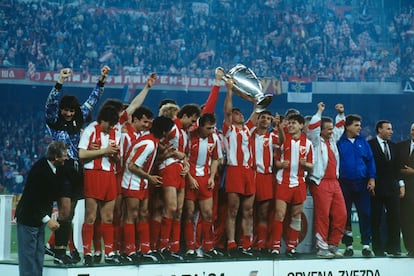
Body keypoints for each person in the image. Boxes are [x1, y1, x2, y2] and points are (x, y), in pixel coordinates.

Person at [44, 65, 109, 264]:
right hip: (61, 167)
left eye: (71, 110)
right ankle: (60, 251)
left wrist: (101, 80)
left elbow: (93, 100)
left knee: (69, 213)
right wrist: (60, 81)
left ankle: (59, 249)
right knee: (64, 212)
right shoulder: (54, 119)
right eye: (66, 110)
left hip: (77, 169)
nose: (68, 113)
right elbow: (50, 104)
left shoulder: (79, 117)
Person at [121, 116, 175, 263]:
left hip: (142, 181)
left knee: (143, 213)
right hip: (132, 181)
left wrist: (165, 156)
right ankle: (130, 250)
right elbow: (131, 165)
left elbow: (144, 161)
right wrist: (149, 177)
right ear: (164, 132)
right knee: (131, 215)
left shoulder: (151, 140)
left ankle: (144, 249)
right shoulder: (150, 144)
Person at [15, 141, 67, 276]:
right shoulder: (40, 171)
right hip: (28, 219)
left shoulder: (51, 168)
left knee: (38, 257)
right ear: (55, 156)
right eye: (64, 156)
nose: (66, 158)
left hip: (37, 220)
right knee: (28, 260)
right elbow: (32, 200)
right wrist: (48, 220)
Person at [78, 105, 120, 265]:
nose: (111, 127)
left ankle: (108, 253)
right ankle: (87, 253)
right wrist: (103, 151)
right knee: (90, 217)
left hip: (110, 174)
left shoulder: (116, 133)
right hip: (93, 174)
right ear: (102, 120)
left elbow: (117, 158)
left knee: (108, 217)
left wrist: (114, 155)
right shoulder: (90, 130)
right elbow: (81, 154)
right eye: (109, 124)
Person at [157, 103, 201, 260]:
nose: (193, 124)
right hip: (168, 168)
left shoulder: (185, 132)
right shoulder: (172, 127)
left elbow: (185, 155)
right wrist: (173, 153)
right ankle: (162, 247)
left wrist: (186, 165)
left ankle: (174, 247)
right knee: (171, 208)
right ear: (184, 116)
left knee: (179, 211)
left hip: (181, 172)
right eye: (192, 120)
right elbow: (157, 142)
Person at [270, 113, 314, 258]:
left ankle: (291, 247)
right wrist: (280, 164)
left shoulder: (307, 144)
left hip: (300, 183)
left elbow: (311, 165)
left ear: (301, 126)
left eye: (294, 123)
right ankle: (276, 246)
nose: (290, 125)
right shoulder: (283, 140)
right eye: (289, 123)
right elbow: (275, 161)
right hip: (283, 182)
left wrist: (305, 164)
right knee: (280, 214)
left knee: (296, 216)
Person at [307, 102, 346, 258]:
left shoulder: (332, 140)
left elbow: (341, 127)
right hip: (320, 181)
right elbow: (313, 126)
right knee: (323, 215)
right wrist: (319, 111)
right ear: (321, 130)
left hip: (334, 182)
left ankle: (333, 244)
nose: (332, 131)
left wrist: (341, 114)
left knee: (341, 214)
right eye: (329, 129)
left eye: (332, 128)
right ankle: (322, 247)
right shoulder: (315, 140)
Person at [222, 77, 255, 257]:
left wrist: (256, 97)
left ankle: (246, 244)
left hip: (248, 171)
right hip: (234, 170)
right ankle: (231, 243)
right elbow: (226, 111)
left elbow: (258, 110)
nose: (239, 114)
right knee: (233, 210)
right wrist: (229, 90)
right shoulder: (228, 128)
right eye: (236, 113)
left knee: (248, 211)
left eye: (240, 112)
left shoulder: (248, 128)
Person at [183, 113, 222, 259]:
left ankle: (208, 246)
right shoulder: (189, 136)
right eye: (208, 128)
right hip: (190, 179)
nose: (211, 131)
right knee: (189, 214)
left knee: (207, 214)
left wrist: (211, 177)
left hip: (205, 180)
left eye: (212, 128)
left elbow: (215, 159)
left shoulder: (215, 138)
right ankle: (190, 247)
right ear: (200, 126)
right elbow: (183, 158)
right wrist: (189, 177)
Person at [337, 114, 376, 257]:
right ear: (347, 126)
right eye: (356, 125)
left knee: (365, 213)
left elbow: (370, 161)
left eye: (360, 125)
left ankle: (366, 245)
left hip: (362, 183)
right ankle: (348, 245)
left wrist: (372, 178)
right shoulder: (339, 142)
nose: (360, 128)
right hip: (344, 184)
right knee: (345, 216)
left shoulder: (363, 142)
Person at [248, 109, 283, 255]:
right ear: (258, 119)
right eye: (263, 117)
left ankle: (261, 243)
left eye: (268, 118)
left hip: (266, 176)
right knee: (247, 212)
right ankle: (246, 243)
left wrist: (279, 126)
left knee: (263, 212)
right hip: (250, 175)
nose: (265, 120)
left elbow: (282, 141)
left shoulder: (272, 137)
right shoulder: (248, 134)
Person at [368, 120, 402, 257]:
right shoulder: (370, 145)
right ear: (379, 130)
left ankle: (393, 248)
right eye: (388, 129)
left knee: (395, 218)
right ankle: (378, 249)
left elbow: (397, 168)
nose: (391, 131)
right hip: (376, 187)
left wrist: (400, 184)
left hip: (392, 187)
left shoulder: (394, 146)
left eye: (391, 129)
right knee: (376, 219)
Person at [396, 123, 414, 257]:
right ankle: (410, 249)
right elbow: (395, 166)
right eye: (413, 130)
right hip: (403, 190)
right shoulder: (400, 146)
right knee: (406, 220)